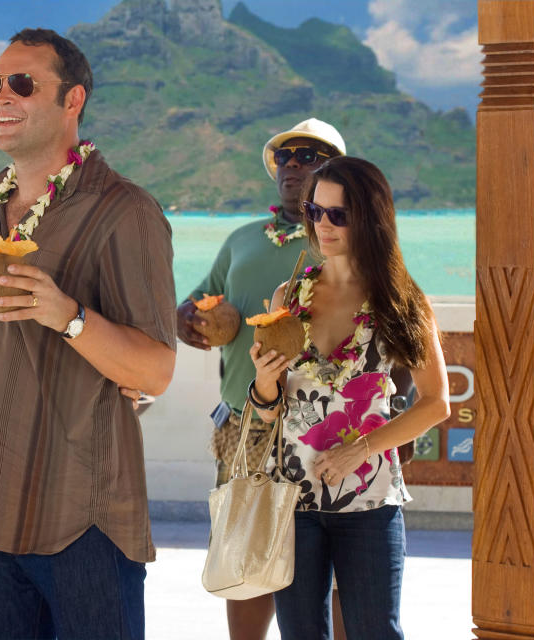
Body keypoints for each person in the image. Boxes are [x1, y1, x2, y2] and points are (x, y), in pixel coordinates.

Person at [0, 28, 176, 639]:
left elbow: (155, 369)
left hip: (82, 520)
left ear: (72, 100)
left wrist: (70, 317)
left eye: (22, 84)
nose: (1, 96)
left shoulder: (124, 210)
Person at [250, 156, 450, 639]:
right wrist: (263, 381)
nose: (324, 225)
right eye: (316, 212)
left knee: (376, 632)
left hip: (370, 501)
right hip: (292, 501)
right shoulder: (287, 297)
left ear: (370, 217)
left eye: (338, 214)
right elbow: (269, 410)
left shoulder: (400, 301)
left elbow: (435, 402)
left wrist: (359, 450)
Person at [176, 117, 345, 640]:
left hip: (323, 428)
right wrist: (190, 319)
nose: (294, 163)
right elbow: (197, 301)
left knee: (336, 570)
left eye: (309, 155)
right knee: (244, 559)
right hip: (244, 428)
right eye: (287, 155)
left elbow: (393, 324)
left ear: (335, 171)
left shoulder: (344, 241)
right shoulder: (243, 239)